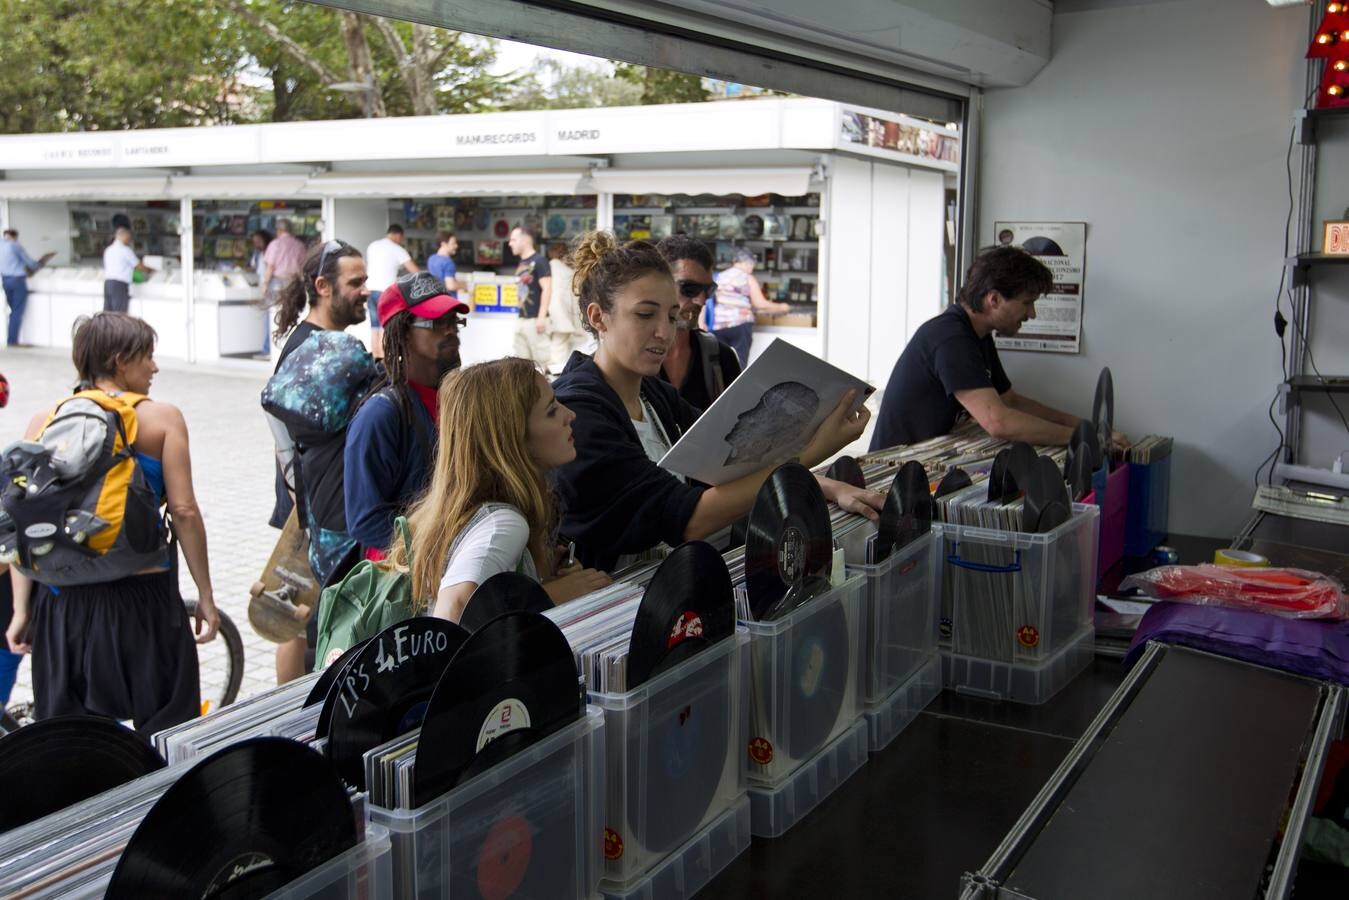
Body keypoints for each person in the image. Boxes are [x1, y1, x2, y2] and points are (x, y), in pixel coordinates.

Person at [552, 233, 883, 572]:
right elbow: (688, 518)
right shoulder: (579, 413)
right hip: (610, 607)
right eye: (645, 315)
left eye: (670, 316)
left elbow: (731, 460)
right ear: (598, 317)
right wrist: (811, 454)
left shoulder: (654, 396)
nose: (664, 333)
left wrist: (824, 485)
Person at [5, 313, 219, 734]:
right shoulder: (162, 419)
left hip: (63, 606)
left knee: (71, 745)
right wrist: (205, 595)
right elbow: (186, 512)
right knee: (166, 733)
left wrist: (20, 611)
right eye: (148, 358)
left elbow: (23, 522)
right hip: (144, 602)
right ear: (121, 360)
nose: (155, 368)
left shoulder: (43, 421)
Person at [386, 357, 611, 624]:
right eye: (552, 410)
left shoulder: (469, 510)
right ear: (512, 437)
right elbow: (452, 614)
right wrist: (552, 594)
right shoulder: (504, 523)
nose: (569, 415)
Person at [870, 245, 1129, 451]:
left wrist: (1089, 429)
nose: (1032, 313)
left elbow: (1009, 401)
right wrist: (1082, 438)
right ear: (993, 299)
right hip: (893, 471)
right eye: (1027, 303)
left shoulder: (977, 335)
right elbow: (998, 422)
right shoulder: (950, 337)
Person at [268, 239, 369, 682]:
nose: (366, 290)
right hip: (312, 508)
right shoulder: (313, 348)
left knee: (297, 614)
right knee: (300, 620)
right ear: (323, 286)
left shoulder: (318, 342)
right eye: (356, 282)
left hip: (307, 501)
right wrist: (301, 507)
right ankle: (290, 716)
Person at [344, 271, 468, 560]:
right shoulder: (381, 415)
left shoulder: (456, 398)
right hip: (402, 578)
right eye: (437, 322)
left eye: (453, 321)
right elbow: (365, 519)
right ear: (402, 333)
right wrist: (440, 548)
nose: (450, 330)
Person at [654, 235, 742, 411]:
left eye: (708, 290)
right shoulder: (630, 359)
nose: (701, 301)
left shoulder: (721, 358)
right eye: (689, 289)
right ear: (657, 283)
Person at [709, 249, 791, 366]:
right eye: (752, 265)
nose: (752, 269)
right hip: (740, 324)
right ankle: (738, 384)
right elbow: (760, 303)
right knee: (739, 362)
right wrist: (781, 307)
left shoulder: (719, 277)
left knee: (722, 363)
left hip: (718, 325)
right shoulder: (747, 277)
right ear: (747, 263)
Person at [365, 224, 419, 359]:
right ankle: (384, 361)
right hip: (385, 293)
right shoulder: (398, 249)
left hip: (370, 290)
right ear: (398, 235)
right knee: (385, 327)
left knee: (374, 327)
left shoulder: (373, 246)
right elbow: (415, 272)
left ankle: (375, 359)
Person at [2, 228, 54, 347]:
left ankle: (10, 338)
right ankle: (12, 341)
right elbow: (29, 262)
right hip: (17, 281)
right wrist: (38, 265)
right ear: (14, 237)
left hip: (5, 281)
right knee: (17, 311)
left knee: (13, 310)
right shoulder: (14, 245)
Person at [508, 226, 552, 365]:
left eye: (513, 239)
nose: (510, 243)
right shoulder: (522, 262)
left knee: (542, 364)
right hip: (522, 319)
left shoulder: (540, 261)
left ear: (525, 240)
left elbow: (547, 288)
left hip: (535, 321)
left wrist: (541, 317)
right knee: (522, 366)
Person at [546, 242, 588, 369]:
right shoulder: (571, 272)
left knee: (553, 352)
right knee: (560, 352)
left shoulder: (548, 268)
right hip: (566, 317)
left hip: (551, 316)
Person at [102, 226, 152, 313]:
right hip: (119, 284)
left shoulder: (108, 250)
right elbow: (138, 266)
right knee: (119, 314)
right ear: (123, 236)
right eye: (128, 238)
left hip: (108, 283)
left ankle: (105, 327)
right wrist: (151, 271)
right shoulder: (125, 250)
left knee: (107, 313)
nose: (129, 240)